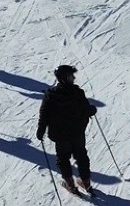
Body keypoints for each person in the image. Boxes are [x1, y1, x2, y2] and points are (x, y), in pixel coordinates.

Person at [36, 65, 99, 195]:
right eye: (71, 75)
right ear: (65, 78)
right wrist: (92, 109)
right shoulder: (77, 93)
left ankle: (71, 184)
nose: (74, 78)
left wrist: (41, 130)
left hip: (60, 135)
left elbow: (44, 114)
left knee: (63, 159)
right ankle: (85, 183)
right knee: (81, 156)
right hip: (77, 133)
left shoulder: (51, 95)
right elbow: (86, 109)